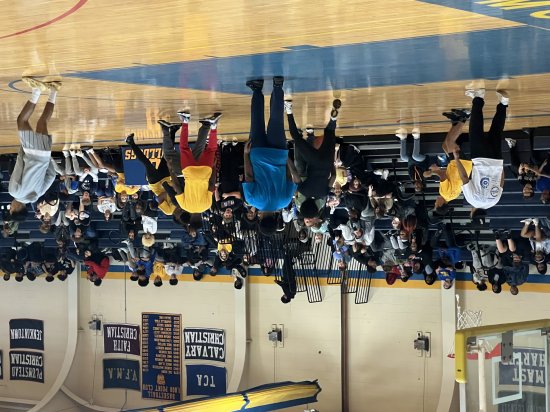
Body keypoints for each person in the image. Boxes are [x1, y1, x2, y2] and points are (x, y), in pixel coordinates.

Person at [242, 77, 298, 234]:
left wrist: (285, 158)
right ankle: (257, 89)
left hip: (279, 155)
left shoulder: (285, 201)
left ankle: (278, 86)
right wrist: (246, 155)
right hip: (258, 154)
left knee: (277, 120)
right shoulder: (252, 200)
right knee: (256, 122)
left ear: (275, 219)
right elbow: (249, 176)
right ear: (259, 219)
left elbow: (290, 177)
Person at [8, 76, 62, 222]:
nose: (10, 206)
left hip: (44, 155)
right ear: (16, 208)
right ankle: (37, 89)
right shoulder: (14, 192)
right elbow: (19, 165)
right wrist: (22, 148)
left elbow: (51, 175)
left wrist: (46, 158)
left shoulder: (37, 195)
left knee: (42, 121)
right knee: (21, 120)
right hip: (31, 152)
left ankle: (54, 89)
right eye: (11, 209)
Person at [453, 89, 508, 212]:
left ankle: (503, 104)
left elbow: (501, 182)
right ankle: (478, 97)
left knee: (497, 130)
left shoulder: (494, 201)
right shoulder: (473, 200)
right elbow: (464, 178)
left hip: (497, 161)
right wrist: (456, 159)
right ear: (473, 212)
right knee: (475, 129)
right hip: (480, 160)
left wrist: (499, 166)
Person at [287, 98, 340, 217]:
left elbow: (334, 176)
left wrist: (330, 163)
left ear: (316, 207)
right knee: (296, 137)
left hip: (327, 162)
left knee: (330, 132)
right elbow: (294, 172)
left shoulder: (324, 193)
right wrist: (286, 158)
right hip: (313, 160)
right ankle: (289, 110)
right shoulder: (303, 191)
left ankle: (333, 119)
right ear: (303, 205)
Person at [125, 133, 177, 215]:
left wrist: (171, 192)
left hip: (156, 184)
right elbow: (168, 194)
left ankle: (130, 142)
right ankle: (172, 133)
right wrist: (170, 192)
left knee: (147, 163)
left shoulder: (169, 211)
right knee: (167, 156)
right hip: (166, 179)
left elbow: (159, 197)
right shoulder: (182, 205)